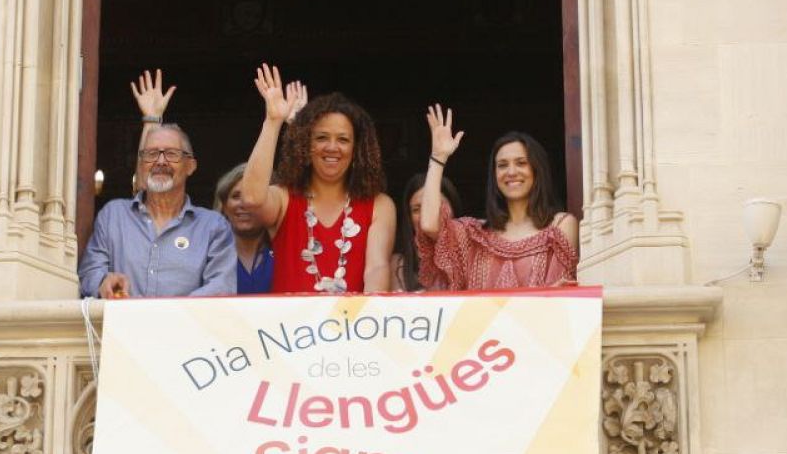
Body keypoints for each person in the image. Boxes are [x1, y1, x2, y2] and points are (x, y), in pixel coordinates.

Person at [235, 65, 395, 294]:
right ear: (306, 145)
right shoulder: (283, 198)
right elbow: (250, 197)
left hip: (354, 326)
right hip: (288, 328)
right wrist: (273, 122)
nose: (332, 147)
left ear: (357, 149)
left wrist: (369, 318)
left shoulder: (380, 204)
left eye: (343, 139)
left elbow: (377, 268)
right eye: (321, 137)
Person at [78, 71, 235, 298]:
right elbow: (88, 273)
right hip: (121, 331)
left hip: (184, 332)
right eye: (151, 154)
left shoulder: (214, 227)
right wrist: (104, 281)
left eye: (171, 154)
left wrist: (161, 316)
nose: (160, 161)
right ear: (141, 165)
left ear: (190, 166)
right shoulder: (113, 216)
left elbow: (222, 287)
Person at [415, 104, 578, 289]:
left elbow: (560, 298)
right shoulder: (474, 236)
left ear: (536, 170)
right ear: (495, 176)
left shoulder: (559, 226)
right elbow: (429, 224)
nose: (511, 172)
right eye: (502, 165)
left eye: (521, 163)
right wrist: (438, 157)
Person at [397, 172, 464, 292]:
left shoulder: (474, 256)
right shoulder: (397, 265)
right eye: (417, 209)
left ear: (453, 207)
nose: (426, 215)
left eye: (435, 205)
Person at [216, 163, 274, 295]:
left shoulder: (286, 251)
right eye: (236, 196)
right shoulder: (210, 254)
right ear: (224, 206)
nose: (244, 203)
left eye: (253, 195)